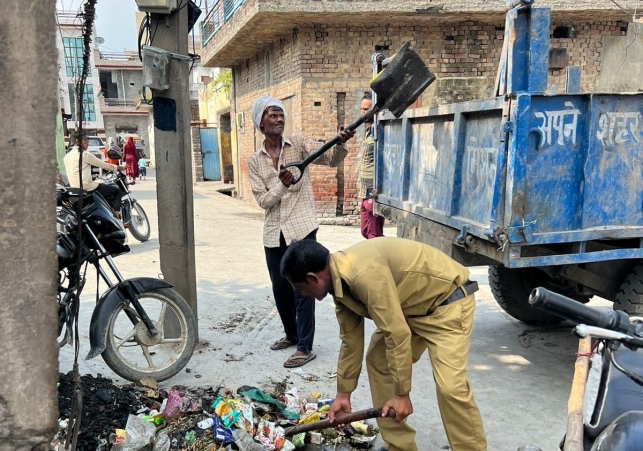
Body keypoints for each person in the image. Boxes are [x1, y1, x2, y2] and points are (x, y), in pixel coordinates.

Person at [280, 238, 487, 451]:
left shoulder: (362, 275)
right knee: (379, 361)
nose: (302, 295)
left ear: (312, 278)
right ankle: (399, 446)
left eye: (299, 288)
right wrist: (343, 394)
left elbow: (396, 334)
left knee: (450, 387)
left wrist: (402, 395)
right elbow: (350, 342)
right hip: (410, 309)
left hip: (447, 303)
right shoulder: (339, 286)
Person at [247, 95, 355, 368]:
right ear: (261, 121)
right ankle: (291, 334)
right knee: (280, 288)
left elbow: (330, 157)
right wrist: (282, 185)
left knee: (304, 288)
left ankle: (305, 347)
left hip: (302, 228)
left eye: (281, 114)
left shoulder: (299, 145)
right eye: (273, 114)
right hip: (274, 233)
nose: (279, 119)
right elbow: (263, 201)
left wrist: (340, 143)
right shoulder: (254, 161)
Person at [63, 131, 126, 215]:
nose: (87, 143)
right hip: (88, 188)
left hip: (74, 191)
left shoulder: (66, 157)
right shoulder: (85, 154)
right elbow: (103, 165)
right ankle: (117, 218)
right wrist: (121, 167)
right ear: (78, 142)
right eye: (85, 140)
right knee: (116, 191)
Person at [358, 92, 385, 239]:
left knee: (374, 234)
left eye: (367, 109)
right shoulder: (369, 131)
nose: (363, 112)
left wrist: (379, 188)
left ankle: (378, 258)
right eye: (362, 109)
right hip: (364, 189)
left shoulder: (380, 130)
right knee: (365, 231)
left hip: (373, 189)